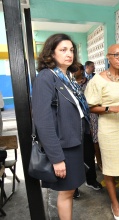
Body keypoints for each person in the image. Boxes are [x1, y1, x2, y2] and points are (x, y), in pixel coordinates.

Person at [32, 33, 89, 220]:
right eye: (63, 50)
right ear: (51, 54)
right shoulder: (46, 77)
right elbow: (43, 121)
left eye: (71, 50)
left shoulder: (68, 77)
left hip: (75, 142)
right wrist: (56, 158)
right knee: (66, 192)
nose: (69, 54)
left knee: (70, 190)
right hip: (63, 147)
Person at [84, 44, 119, 220]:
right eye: (116, 55)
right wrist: (111, 108)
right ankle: (114, 203)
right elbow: (91, 107)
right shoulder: (97, 80)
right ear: (108, 57)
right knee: (109, 169)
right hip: (109, 129)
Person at [71, 63, 102, 199]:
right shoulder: (68, 85)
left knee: (89, 155)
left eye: (76, 69)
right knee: (73, 158)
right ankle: (74, 187)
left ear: (82, 70)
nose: (74, 72)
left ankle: (91, 180)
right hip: (73, 126)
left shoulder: (90, 84)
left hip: (88, 125)